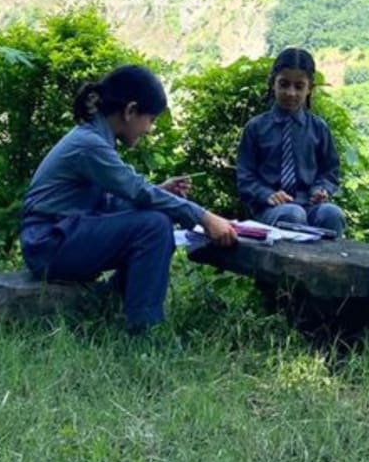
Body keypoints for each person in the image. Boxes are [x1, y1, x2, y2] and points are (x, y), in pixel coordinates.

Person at [20, 64, 236, 334]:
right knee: (153, 225)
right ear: (130, 111)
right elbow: (137, 190)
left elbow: (110, 204)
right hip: (48, 244)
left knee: (154, 218)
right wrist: (204, 217)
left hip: (59, 236)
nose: (150, 129)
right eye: (151, 120)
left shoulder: (96, 138)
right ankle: (144, 329)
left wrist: (161, 192)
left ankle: (108, 303)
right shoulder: (90, 145)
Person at [236, 47, 345, 236]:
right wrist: (267, 195)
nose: (291, 93)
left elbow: (330, 171)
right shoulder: (256, 128)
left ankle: (326, 265)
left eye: (299, 86)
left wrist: (321, 190)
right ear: (273, 83)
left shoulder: (318, 128)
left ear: (310, 88)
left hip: (309, 205)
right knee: (292, 214)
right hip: (269, 209)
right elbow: (245, 177)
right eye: (284, 84)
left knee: (332, 214)